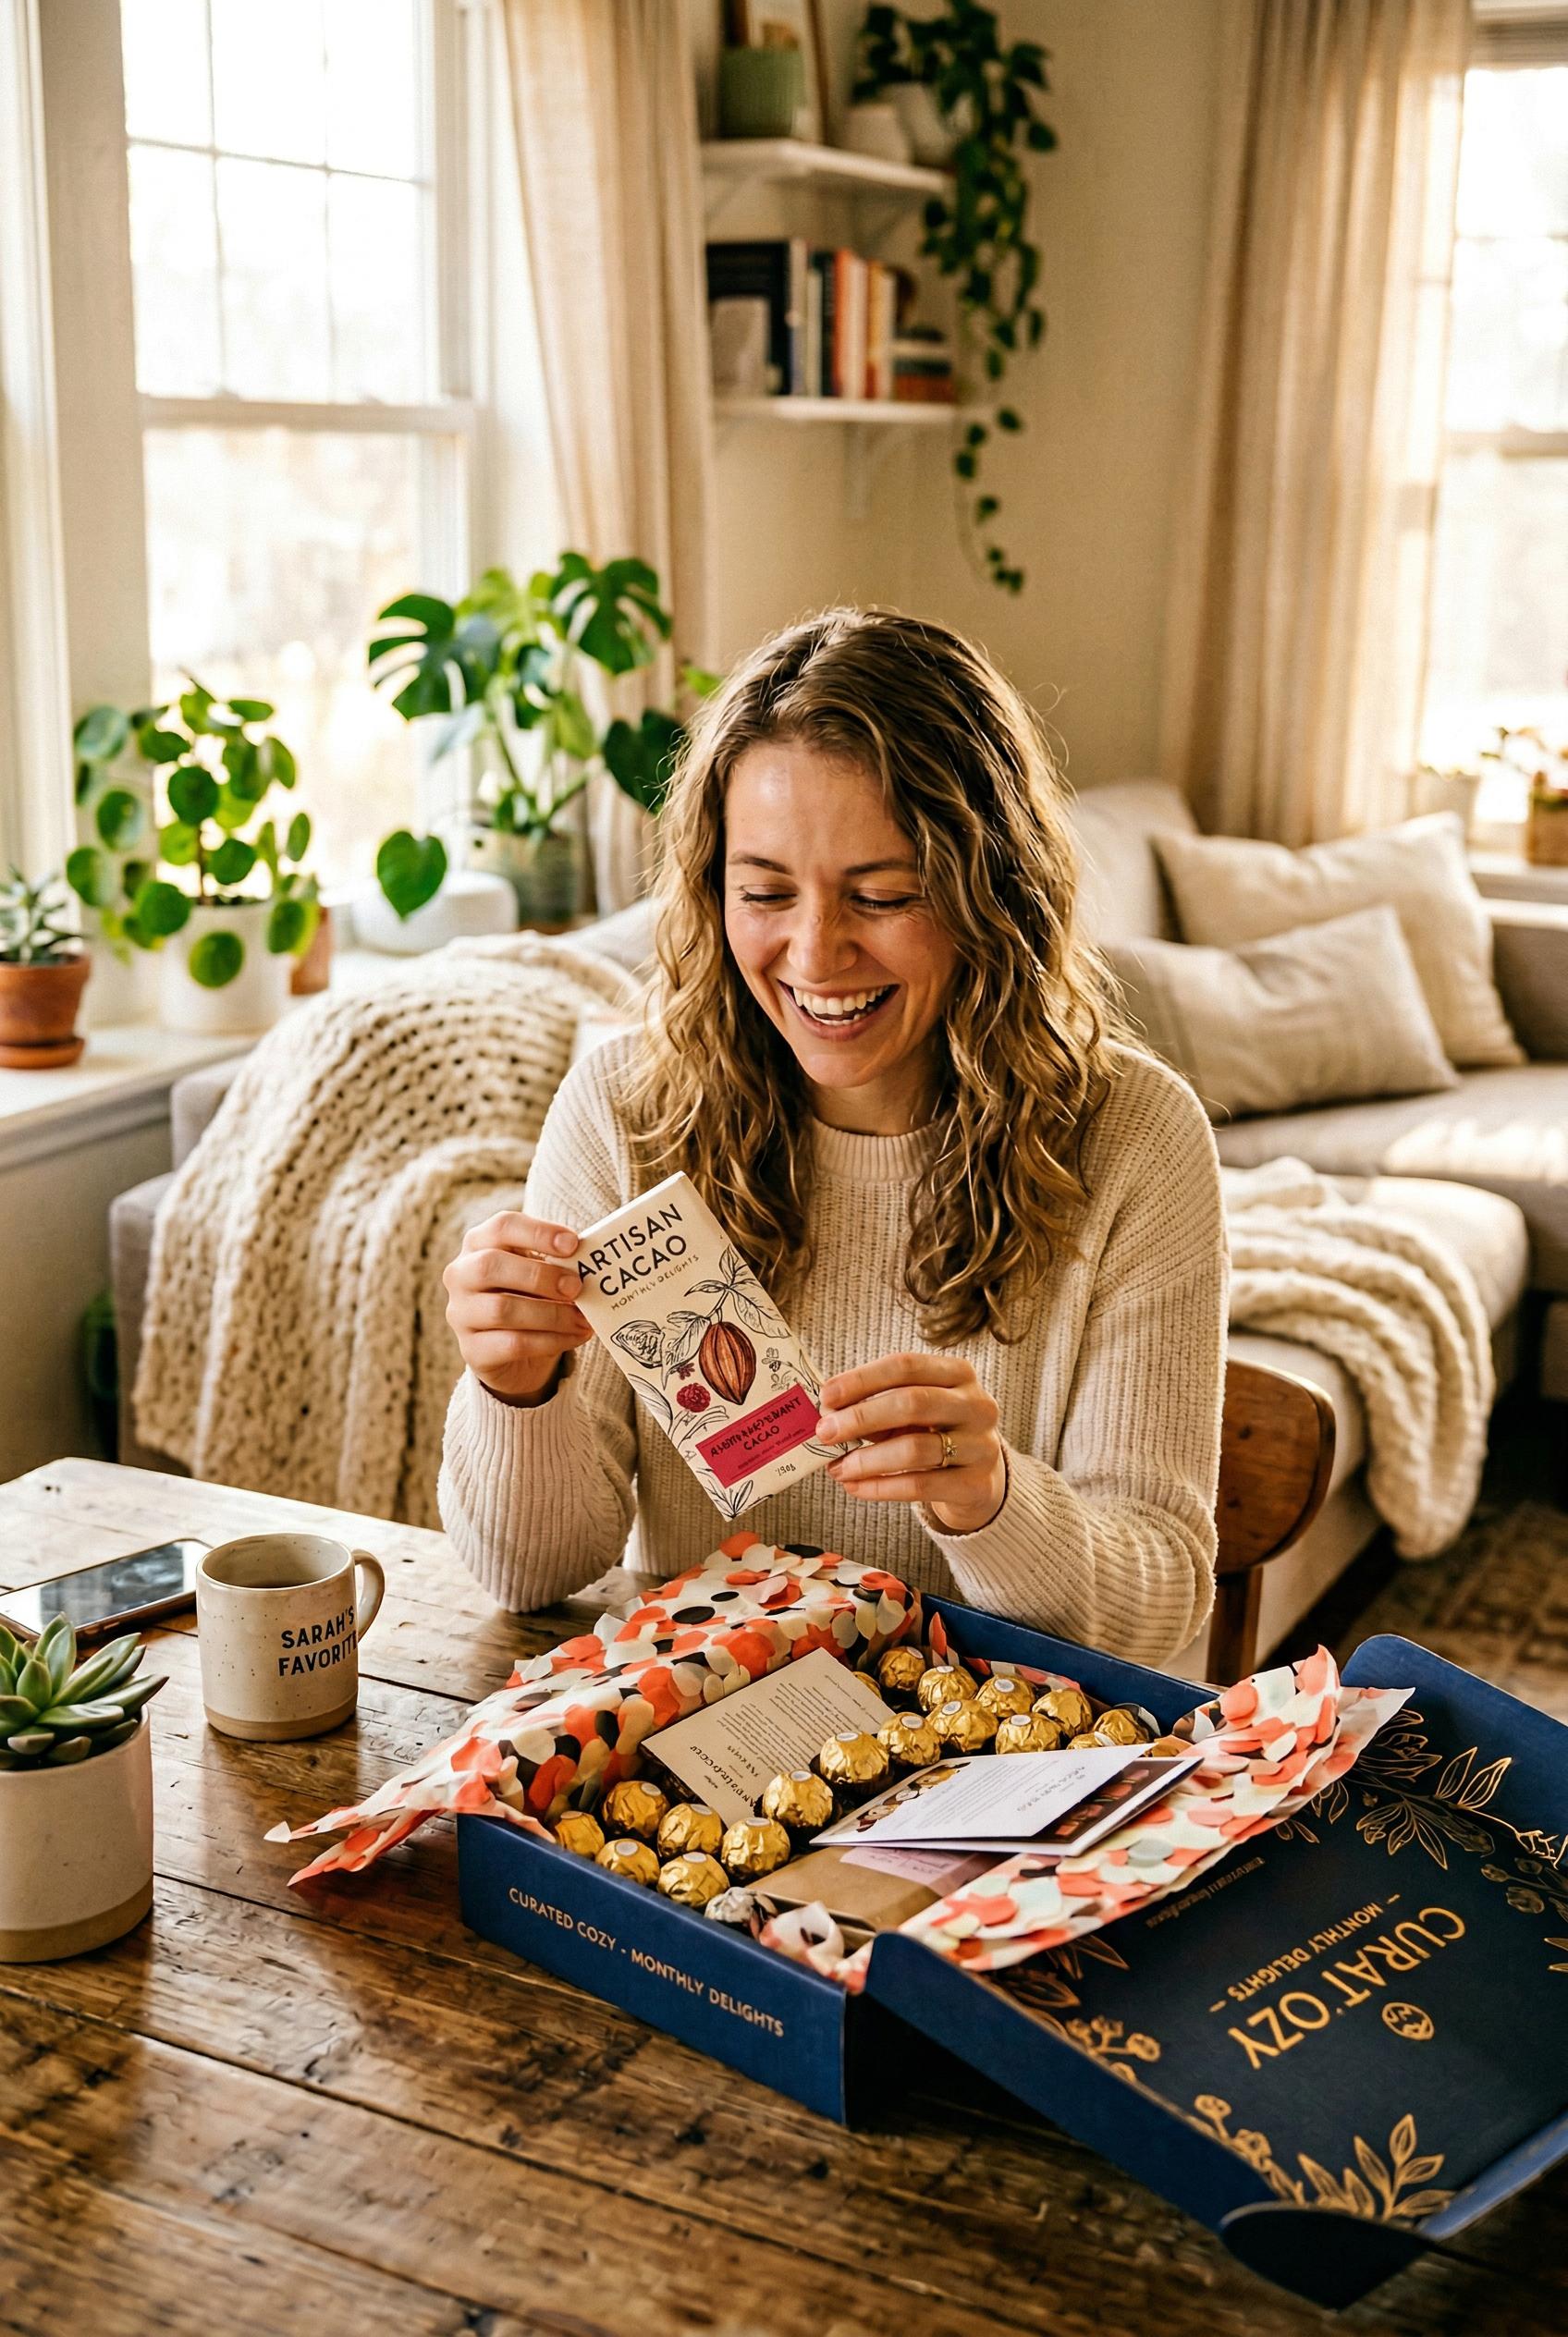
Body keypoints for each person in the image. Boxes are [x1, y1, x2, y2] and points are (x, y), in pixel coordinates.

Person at [438, 609, 1226, 1664]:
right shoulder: (625, 1110)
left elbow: (1163, 1602)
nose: (816, 954)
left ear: (992, 889)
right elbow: (530, 1573)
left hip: (1003, 1770)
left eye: (881, 894)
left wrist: (989, 1501)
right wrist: (514, 1388)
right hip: (706, 1746)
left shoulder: (1137, 1138)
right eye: (763, 891)